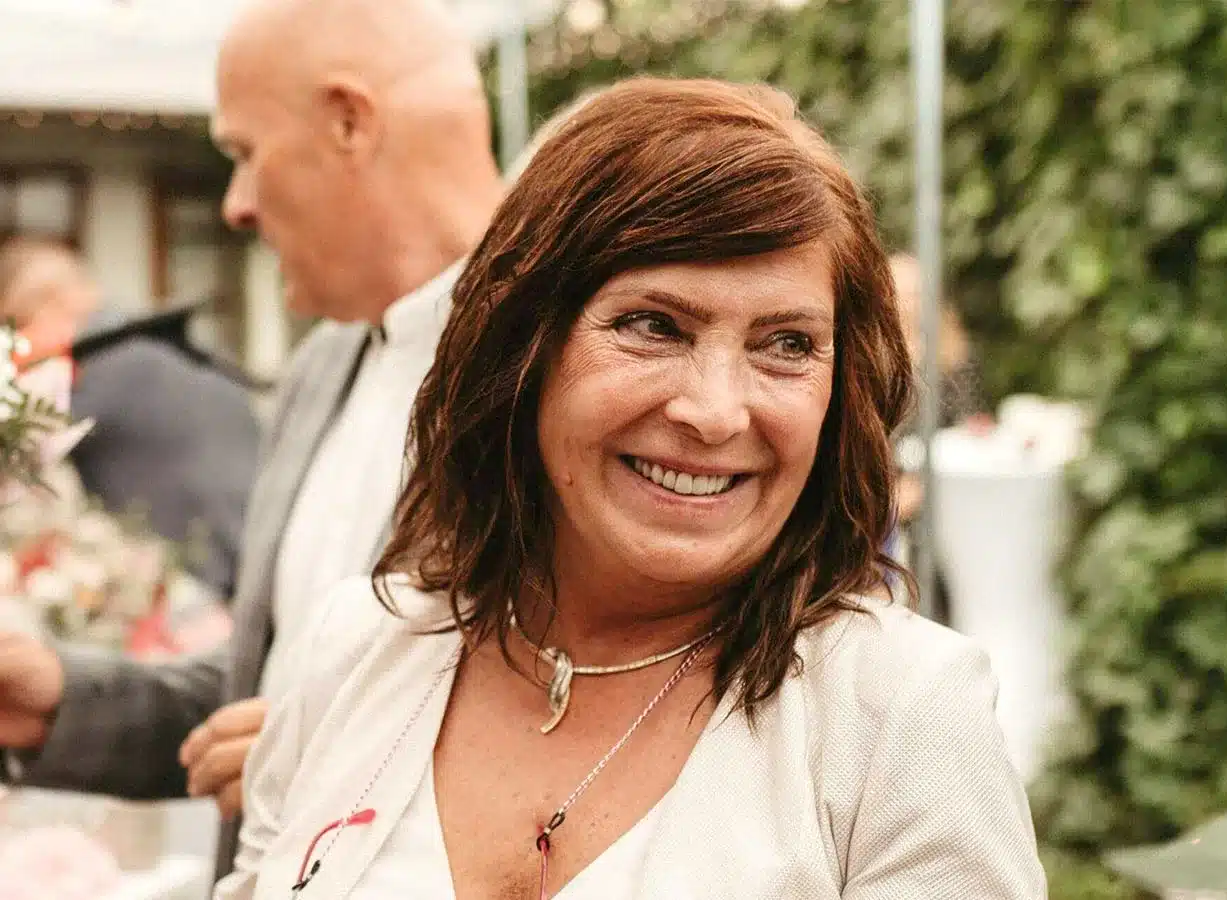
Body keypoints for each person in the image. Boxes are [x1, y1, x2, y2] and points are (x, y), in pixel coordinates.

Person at [217, 78, 1044, 900]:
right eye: (654, 326)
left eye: (786, 344)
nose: (716, 413)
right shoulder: (356, 651)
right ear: (522, 347)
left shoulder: (899, 720)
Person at [0, 0, 505, 882]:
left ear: (349, 123)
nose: (234, 206)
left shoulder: (571, 369)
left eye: (243, 153)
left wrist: (344, 762)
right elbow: (263, 695)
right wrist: (55, 702)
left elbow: (651, 710)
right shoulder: (321, 369)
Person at [0, 237, 261, 595]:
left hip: (204, 587)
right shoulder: (168, 346)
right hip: (252, 560)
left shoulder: (95, 366)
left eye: (13, 329)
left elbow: (13, 452)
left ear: (46, 306)